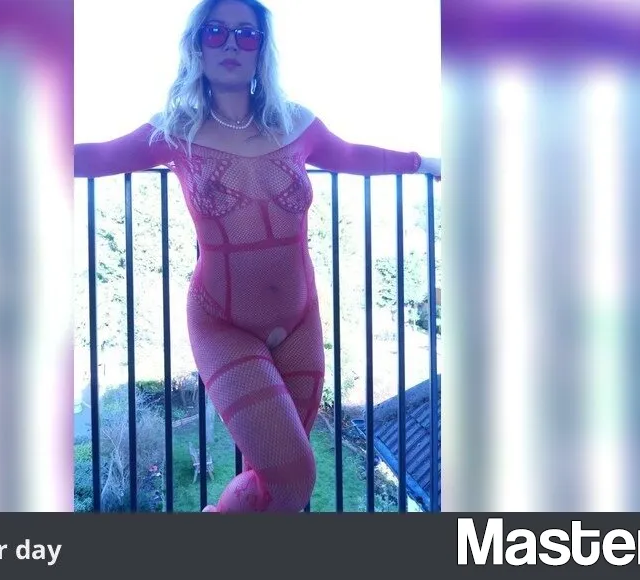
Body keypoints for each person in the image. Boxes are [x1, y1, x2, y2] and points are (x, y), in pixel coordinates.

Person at [75, 0, 440, 513]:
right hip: (223, 323)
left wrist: (424, 162)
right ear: (197, 44)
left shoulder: (296, 123)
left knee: (269, 484)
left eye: (246, 35)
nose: (231, 44)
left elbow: (353, 156)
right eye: (216, 32)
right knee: (294, 476)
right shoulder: (176, 130)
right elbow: (98, 156)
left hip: (300, 322)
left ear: (261, 49)